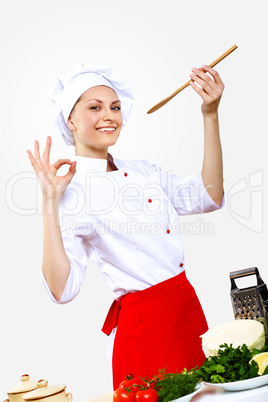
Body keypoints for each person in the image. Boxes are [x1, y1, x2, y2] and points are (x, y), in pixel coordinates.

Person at [26, 62, 225, 390]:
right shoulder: (69, 192)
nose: (109, 115)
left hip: (187, 310)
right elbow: (62, 290)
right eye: (95, 107)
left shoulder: (144, 170)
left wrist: (210, 115)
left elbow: (209, 195)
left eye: (115, 107)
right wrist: (49, 202)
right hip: (145, 331)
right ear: (70, 121)